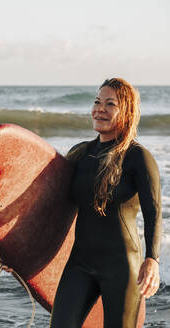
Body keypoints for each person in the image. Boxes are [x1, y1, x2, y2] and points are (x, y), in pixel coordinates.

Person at [50, 78, 162, 327]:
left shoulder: (138, 158)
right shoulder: (80, 153)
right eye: (97, 102)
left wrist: (152, 259)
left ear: (127, 112)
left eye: (109, 104)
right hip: (80, 265)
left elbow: (153, 213)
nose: (99, 109)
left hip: (121, 268)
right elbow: (54, 206)